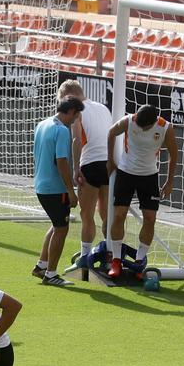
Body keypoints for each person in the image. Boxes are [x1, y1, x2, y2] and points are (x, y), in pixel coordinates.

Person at [105, 104, 178, 278]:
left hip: (149, 176)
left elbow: (174, 154)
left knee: (150, 218)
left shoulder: (165, 128)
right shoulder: (129, 121)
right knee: (118, 215)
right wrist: (110, 160)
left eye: (144, 126)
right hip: (125, 173)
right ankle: (116, 260)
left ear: (153, 123)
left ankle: (139, 261)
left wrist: (169, 182)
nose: (139, 127)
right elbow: (111, 133)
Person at [58, 80, 113, 265]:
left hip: (91, 164)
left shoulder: (78, 112)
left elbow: (76, 140)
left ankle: (85, 257)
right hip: (109, 163)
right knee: (106, 215)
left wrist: (76, 168)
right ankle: (108, 256)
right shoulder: (103, 108)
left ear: (69, 98)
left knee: (87, 215)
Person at [31, 96, 83, 286]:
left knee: (56, 225)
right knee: (61, 228)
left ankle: (42, 266)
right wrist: (71, 191)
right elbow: (61, 161)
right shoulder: (61, 130)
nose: (75, 120)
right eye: (76, 116)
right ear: (71, 112)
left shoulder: (42, 124)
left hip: (41, 185)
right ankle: (51, 274)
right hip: (55, 189)